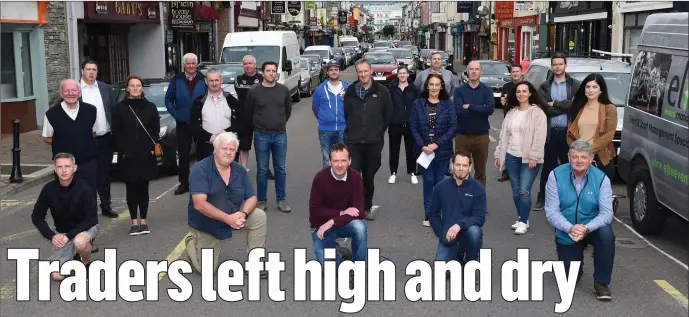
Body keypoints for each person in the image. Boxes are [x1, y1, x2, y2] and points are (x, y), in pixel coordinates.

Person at [185, 132, 268, 277]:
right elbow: (199, 204)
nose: (228, 152)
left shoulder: (240, 170)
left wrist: (243, 214)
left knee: (259, 216)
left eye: (232, 149)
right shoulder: (200, 170)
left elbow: (252, 198)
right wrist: (227, 218)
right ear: (215, 150)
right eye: (224, 149)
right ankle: (191, 244)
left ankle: (255, 264)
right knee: (206, 271)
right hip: (208, 223)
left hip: (234, 215)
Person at [545, 139, 615, 301]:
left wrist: (586, 228)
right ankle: (576, 266)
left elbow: (606, 214)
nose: (579, 161)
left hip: (592, 227)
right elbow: (551, 212)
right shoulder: (555, 176)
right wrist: (570, 228)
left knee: (606, 235)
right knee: (570, 278)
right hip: (567, 229)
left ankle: (601, 283)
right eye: (575, 157)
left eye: (583, 157)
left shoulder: (602, 179)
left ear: (591, 159)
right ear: (569, 157)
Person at [31, 153, 99, 281]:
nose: (63, 170)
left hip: (85, 228)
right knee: (57, 276)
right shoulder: (48, 189)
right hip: (63, 233)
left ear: (74, 168)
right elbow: (37, 216)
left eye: (67, 166)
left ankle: (85, 262)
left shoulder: (85, 188)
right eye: (60, 167)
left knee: (80, 241)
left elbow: (92, 219)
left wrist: (69, 237)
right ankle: (72, 256)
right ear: (55, 169)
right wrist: (52, 236)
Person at [493, 81, 548, 234]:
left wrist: (533, 157)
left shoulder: (537, 113)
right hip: (511, 155)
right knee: (516, 190)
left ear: (530, 93)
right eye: (518, 91)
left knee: (524, 190)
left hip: (529, 159)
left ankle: (523, 221)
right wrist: (499, 154)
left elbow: (540, 137)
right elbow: (503, 136)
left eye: (525, 91)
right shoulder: (511, 112)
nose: (521, 94)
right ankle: (522, 217)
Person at [343, 59, 394, 221]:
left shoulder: (382, 91)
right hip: (354, 142)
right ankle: (354, 207)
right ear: (356, 72)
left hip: (373, 142)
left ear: (371, 71)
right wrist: (351, 131)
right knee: (353, 175)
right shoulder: (350, 91)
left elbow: (388, 115)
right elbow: (347, 114)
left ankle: (366, 207)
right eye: (360, 71)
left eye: (366, 71)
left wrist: (378, 132)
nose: (363, 74)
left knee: (369, 176)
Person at [112, 75, 161, 236]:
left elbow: (155, 130)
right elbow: (116, 132)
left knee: (143, 189)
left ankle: (144, 221)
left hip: (146, 155)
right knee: (131, 190)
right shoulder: (120, 108)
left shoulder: (150, 107)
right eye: (132, 85)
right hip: (129, 156)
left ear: (142, 88)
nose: (135, 88)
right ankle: (134, 222)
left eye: (138, 85)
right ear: (127, 89)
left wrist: (152, 149)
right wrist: (123, 151)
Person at [534, 53, 581, 211]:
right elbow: (545, 109)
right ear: (551, 66)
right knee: (548, 167)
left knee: (570, 167)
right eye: (555, 64)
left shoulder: (575, 85)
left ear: (565, 65)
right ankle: (543, 198)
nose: (558, 67)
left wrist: (555, 103)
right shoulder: (544, 87)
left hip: (569, 134)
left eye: (560, 64)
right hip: (550, 133)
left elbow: (576, 107)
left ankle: (569, 200)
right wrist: (565, 106)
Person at [410, 73, 457, 227]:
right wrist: (423, 145)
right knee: (428, 182)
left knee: (440, 183)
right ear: (427, 86)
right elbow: (413, 127)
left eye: (437, 84)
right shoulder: (418, 104)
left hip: (441, 150)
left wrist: (436, 144)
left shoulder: (448, 104)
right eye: (432, 84)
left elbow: (452, 128)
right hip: (424, 151)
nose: (434, 87)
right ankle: (429, 215)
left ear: (441, 86)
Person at [245, 61, 293, 213]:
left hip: (280, 134)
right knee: (262, 169)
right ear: (262, 72)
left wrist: (279, 123)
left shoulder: (283, 90)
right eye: (268, 71)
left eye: (274, 71)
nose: (271, 73)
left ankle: (281, 200)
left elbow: (288, 110)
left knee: (280, 168)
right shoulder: (254, 92)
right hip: (261, 135)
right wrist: (259, 125)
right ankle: (261, 201)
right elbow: (248, 112)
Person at [42, 79, 101, 202]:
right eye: (66, 91)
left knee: (89, 197)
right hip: (64, 165)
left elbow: (94, 133)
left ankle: (90, 222)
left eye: (74, 90)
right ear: (61, 94)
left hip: (87, 163)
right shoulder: (51, 114)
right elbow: (47, 138)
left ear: (79, 93)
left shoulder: (91, 110)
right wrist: (66, 141)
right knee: (66, 199)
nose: (70, 93)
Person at [309, 143, 367, 265]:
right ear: (329, 162)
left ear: (350, 161)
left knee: (360, 227)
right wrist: (341, 213)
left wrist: (332, 221)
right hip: (321, 226)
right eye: (335, 161)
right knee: (329, 269)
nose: (339, 165)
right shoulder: (320, 178)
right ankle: (340, 256)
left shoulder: (356, 177)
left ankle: (359, 266)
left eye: (343, 161)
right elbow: (315, 212)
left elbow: (360, 212)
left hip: (342, 223)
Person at [427, 150, 487, 264]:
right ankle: (458, 254)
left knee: (475, 232)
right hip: (448, 236)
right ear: (452, 165)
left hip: (467, 232)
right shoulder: (441, 187)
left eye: (465, 165)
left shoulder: (478, 189)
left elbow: (479, 217)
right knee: (441, 274)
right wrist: (442, 233)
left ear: (470, 167)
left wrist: (459, 225)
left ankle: (471, 261)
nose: (461, 168)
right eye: (458, 164)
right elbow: (432, 214)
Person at [165, 53, 208, 196]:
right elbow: (168, 100)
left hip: (201, 122)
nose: (191, 66)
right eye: (188, 63)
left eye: (193, 63)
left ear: (196, 64)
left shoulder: (203, 79)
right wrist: (177, 114)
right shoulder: (176, 80)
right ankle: (184, 183)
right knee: (183, 155)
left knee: (203, 154)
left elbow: (209, 98)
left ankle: (203, 182)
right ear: (184, 64)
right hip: (183, 123)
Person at [79, 60, 118, 218]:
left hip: (105, 138)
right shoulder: (76, 90)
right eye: (88, 69)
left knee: (104, 174)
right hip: (85, 141)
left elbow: (113, 111)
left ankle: (106, 205)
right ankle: (88, 208)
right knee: (86, 175)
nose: (91, 72)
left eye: (94, 69)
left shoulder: (105, 88)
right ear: (82, 71)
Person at [566, 73, 618, 180]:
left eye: (595, 87)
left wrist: (587, 151)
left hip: (599, 157)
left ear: (601, 90)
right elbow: (569, 133)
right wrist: (576, 152)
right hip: (578, 158)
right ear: (584, 89)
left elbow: (609, 135)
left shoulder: (609, 108)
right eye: (588, 87)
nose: (591, 90)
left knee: (598, 193)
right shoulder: (577, 107)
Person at [453, 60, 495, 188]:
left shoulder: (487, 90)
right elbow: (458, 111)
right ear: (467, 71)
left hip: (481, 137)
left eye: (477, 69)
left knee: (480, 173)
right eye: (471, 69)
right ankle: (460, 200)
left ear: (481, 72)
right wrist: (480, 109)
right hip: (462, 136)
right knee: (460, 171)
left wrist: (470, 106)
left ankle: (478, 202)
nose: (474, 72)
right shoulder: (459, 91)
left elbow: (490, 109)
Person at [190, 68, 239, 160]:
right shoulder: (198, 103)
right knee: (208, 174)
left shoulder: (232, 100)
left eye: (216, 80)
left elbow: (240, 122)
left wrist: (226, 133)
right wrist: (210, 137)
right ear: (206, 81)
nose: (214, 83)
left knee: (228, 174)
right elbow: (194, 126)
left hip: (228, 146)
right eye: (211, 80)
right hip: (206, 147)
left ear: (221, 80)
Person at [312, 60, 350, 168]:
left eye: (336, 70)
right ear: (327, 73)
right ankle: (328, 183)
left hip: (342, 129)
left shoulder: (347, 88)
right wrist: (324, 119)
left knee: (342, 158)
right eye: (331, 70)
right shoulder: (320, 90)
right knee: (327, 158)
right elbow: (315, 108)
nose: (334, 72)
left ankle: (342, 183)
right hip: (325, 130)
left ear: (340, 71)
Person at [388, 65, 420, 185]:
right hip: (395, 124)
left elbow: (417, 106)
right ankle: (393, 173)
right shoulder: (392, 88)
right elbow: (388, 105)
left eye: (404, 73)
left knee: (411, 150)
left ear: (408, 74)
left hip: (410, 124)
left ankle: (412, 173)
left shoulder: (414, 89)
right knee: (394, 150)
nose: (402, 75)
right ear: (397, 75)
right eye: (400, 73)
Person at [497, 63, 523, 183]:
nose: (515, 74)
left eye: (517, 71)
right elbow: (503, 102)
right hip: (509, 119)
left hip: (523, 120)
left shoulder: (526, 86)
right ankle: (506, 171)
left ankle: (520, 170)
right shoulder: (506, 86)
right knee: (507, 144)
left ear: (521, 73)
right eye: (513, 72)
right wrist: (503, 103)